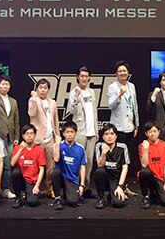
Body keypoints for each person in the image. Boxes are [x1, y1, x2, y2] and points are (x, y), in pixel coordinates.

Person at [67, 66, 98, 197]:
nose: (84, 78)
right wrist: (75, 98)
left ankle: (86, 187)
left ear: (89, 78)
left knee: (89, 162)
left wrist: (96, 130)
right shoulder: (74, 92)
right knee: (78, 161)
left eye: (86, 76)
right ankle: (76, 187)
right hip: (80, 132)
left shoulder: (92, 92)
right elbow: (71, 111)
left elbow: (94, 112)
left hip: (91, 133)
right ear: (78, 77)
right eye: (82, 76)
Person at [106, 60, 139, 183]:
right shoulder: (112, 87)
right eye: (120, 71)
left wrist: (136, 125)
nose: (122, 73)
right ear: (116, 73)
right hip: (118, 128)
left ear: (128, 72)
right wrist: (119, 96)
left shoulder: (132, 86)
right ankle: (116, 184)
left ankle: (124, 185)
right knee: (117, 157)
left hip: (130, 127)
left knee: (126, 157)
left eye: (124, 70)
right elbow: (111, 106)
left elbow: (135, 106)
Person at [27, 78, 59, 195]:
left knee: (51, 167)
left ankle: (50, 189)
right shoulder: (33, 100)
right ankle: (35, 188)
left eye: (45, 88)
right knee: (36, 166)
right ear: (36, 89)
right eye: (40, 87)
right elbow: (32, 113)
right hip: (38, 139)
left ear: (48, 89)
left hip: (50, 138)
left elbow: (56, 121)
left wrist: (57, 136)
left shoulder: (52, 102)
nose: (43, 90)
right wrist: (34, 98)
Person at [137, 121, 165, 209]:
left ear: (159, 132)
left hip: (160, 177)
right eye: (150, 132)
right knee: (144, 172)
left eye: (154, 131)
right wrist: (146, 149)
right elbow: (144, 164)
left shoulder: (164, 145)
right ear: (146, 133)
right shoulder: (142, 146)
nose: (152, 134)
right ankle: (145, 197)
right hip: (150, 176)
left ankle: (155, 193)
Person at [52, 121, 87, 210]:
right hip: (61, 177)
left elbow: (82, 167)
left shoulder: (80, 148)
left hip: (72, 179)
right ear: (63, 133)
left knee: (73, 202)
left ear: (76, 133)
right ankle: (57, 198)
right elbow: (56, 159)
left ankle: (67, 194)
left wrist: (82, 185)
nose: (70, 134)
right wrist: (57, 143)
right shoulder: (58, 145)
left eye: (72, 132)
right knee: (55, 172)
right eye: (67, 132)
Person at [93, 123, 130, 209]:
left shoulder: (122, 147)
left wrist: (120, 186)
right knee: (99, 171)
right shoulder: (99, 146)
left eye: (112, 134)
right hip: (105, 177)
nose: (109, 136)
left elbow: (125, 168)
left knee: (118, 203)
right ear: (103, 137)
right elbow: (100, 165)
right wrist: (103, 153)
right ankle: (101, 197)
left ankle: (112, 194)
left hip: (116, 179)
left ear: (116, 136)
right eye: (106, 134)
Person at [10, 124, 46, 208]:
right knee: (15, 172)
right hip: (21, 179)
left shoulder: (39, 150)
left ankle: (28, 195)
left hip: (32, 180)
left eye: (31, 133)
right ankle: (18, 197)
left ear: (35, 135)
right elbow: (12, 163)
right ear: (23, 136)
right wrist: (20, 150)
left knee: (32, 202)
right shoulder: (17, 148)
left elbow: (42, 169)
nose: (29, 136)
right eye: (27, 134)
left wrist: (37, 186)